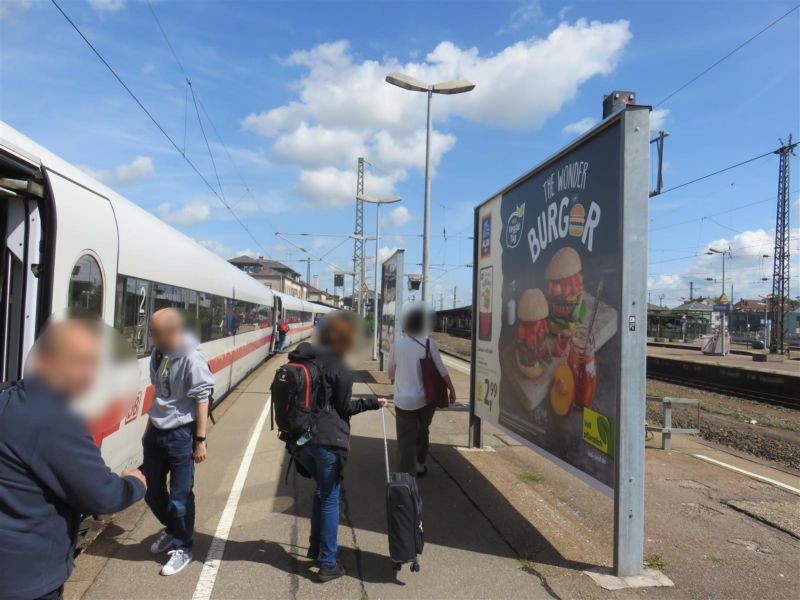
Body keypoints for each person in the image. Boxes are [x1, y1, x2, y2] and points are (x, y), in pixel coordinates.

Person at [0, 319, 146, 600]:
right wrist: (135, 483)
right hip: (28, 582)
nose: (90, 375)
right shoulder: (53, 421)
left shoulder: (8, 399)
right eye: (81, 362)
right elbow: (102, 495)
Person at [291, 311, 388, 582]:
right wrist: (372, 402)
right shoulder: (340, 367)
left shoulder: (305, 359)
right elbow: (345, 407)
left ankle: (314, 545)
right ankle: (328, 563)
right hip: (327, 442)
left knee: (320, 494)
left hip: (302, 442)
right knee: (330, 498)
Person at [142, 308, 214, 576]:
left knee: (180, 495)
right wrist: (149, 427)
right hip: (156, 432)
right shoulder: (158, 353)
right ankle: (173, 529)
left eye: (154, 332)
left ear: (172, 331)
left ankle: (184, 547)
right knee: (152, 491)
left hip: (181, 434)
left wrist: (200, 440)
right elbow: (159, 393)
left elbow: (201, 399)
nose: (150, 336)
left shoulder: (192, 359)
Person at [388, 306, 456, 477]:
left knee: (405, 439)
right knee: (422, 431)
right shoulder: (429, 343)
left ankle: (404, 475)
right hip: (427, 399)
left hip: (403, 400)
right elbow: (442, 370)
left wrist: (394, 379)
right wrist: (452, 389)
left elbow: (390, 370)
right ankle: (419, 465)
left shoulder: (398, 344)